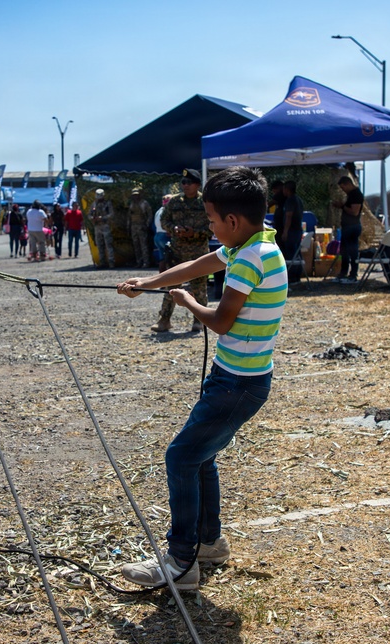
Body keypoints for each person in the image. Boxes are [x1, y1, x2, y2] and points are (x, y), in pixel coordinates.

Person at [116, 166, 288, 589]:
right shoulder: (257, 244)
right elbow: (196, 264)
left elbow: (222, 321)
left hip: (238, 385)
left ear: (232, 220)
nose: (209, 227)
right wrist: (148, 283)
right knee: (200, 456)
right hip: (235, 378)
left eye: (211, 221)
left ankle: (181, 562)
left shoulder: (249, 258)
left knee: (181, 457)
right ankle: (209, 543)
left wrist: (189, 303)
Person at [152, 168, 211, 332]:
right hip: (177, 253)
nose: (185, 185)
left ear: (197, 185)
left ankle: (199, 321)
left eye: (189, 183)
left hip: (198, 253)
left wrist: (195, 233)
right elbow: (164, 221)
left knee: (199, 288)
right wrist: (174, 229)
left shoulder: (205, 203)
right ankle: (164, 320)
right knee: (170, 286)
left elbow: (213, 226)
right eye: (183, 182)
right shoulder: (174, 202)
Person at [335, 175, 364, 284]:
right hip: (347, 227)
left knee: (352, 251)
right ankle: (343, 273)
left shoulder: (356, 195)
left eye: (343, 187)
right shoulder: (351, 195)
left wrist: (342, 206)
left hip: (352, 227)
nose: (343, 190)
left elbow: (354, 212)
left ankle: (353, 275)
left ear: (348, 184)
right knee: (344, 251)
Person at [127, 188, 153, 268]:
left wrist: (147, 225)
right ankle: (139, 262)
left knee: (144, 245)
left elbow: (150, 215)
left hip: (142, 226)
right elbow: (129, 216)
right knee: (136, 246)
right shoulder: (131, 204)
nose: (135, 197)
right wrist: (128, 226)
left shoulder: (144, 203)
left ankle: (146, 262)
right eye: (134, 195)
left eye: (137, 195)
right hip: (133, 226)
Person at [89, 189, 115, 268]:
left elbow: (111, 214)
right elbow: (89, 215)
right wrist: (93, 218)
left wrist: (103, 218)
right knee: (100, 245)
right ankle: (102, 262)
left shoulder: (107, 204)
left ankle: (111, 262)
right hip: (97, 226)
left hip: (105, 225)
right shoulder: (94, 204)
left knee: (108, 244)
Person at [280, 180, 304, 261]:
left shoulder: (290, 200)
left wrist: (285, 232)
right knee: (296, 252)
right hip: (298, 230)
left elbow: (289, 216)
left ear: (287, 189)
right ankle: (298, 267)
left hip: (291, 232)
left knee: (291, 253)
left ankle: (293, 268)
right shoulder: (298, 199)